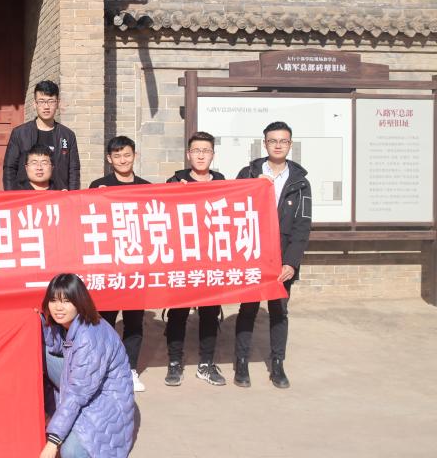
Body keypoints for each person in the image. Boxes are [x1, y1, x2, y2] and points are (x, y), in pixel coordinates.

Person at [234, 121, 312, 389]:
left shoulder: (300, 182)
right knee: (248, 308)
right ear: (264, 143)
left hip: (282, 258)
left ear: (290, 144)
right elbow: (232, 208)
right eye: (273, 141)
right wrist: (251, 186)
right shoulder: (248, 173)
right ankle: (241, 362)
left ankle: (277, 364)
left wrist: (291, 262)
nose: (278, 145)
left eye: (283, 141)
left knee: (279, 311)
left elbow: (303, 225)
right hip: (252, 255)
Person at [39, 273, 135, 458]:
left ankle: (66, 422)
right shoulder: (71, 323)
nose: (58, 307)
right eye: (54, 300)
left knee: (71, 454)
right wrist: (38, 320)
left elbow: (77, 393)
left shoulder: (89, 337)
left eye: (66, 301)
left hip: (104, 401)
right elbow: (54, 347)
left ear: (79, 302)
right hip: (84, 385)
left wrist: (53, 440)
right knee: (38, 351)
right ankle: (64, 418)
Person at [162, 131, 227, 388]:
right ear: (188, 154)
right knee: (178, 313)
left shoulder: (222, 182)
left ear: (213, 155)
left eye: (206, 151)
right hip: (182, 260)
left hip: (211, 260)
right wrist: (175, 194)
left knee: (210, 313)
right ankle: (174, 361)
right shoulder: (175, 181)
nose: (201, 155)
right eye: (196, 151)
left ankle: (206, 364)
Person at [89, 136, 151, 393]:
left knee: (134, 320)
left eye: (127, 155)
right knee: (105, 320)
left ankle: (130, 369)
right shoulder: (98, 186)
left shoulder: (147, 188)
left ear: (134, 155)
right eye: (117, 156)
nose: (123, 160)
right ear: (109, 159)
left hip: (136, 265)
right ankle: (104, 370)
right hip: (108, 266)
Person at [4, 80, 80, 191]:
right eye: (41, 101)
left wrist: (72, 195)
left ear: (57, 103)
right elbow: (10, 168)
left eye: (51, 101)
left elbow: (74, 170)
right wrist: (12, 196)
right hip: (26, 194)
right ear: (35, 104)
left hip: (59, 194)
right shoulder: (20, 133)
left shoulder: (68, 135)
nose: (46, 106)